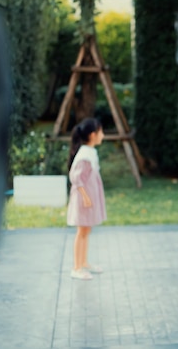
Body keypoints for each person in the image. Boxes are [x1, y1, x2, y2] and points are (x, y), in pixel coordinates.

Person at [67, 118, 107, 280]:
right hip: (83, 199)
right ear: (92, 135)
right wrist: (85, 197)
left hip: (88, 196)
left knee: (86, 229)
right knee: (81, 231)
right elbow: (76, 178)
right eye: (101, 132)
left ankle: (84, 262)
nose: (103, 136)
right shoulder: (84, 155)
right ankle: (76, 267)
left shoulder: (90, 152)